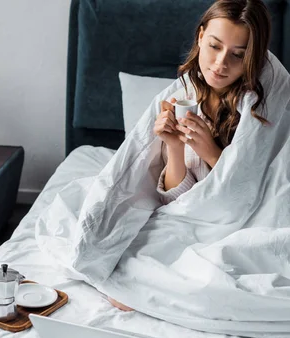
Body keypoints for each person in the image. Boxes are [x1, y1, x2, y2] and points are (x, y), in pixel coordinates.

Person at [109, 0, 272, 311]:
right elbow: (176, 201)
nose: (221, 64)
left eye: (238, 55)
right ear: (200, 37)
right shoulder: (185, 96)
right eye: (214, 46)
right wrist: (174, 146)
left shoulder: (256, 108)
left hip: (234, 221)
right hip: (189, 215)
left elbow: (251, 197)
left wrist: (210, 150)